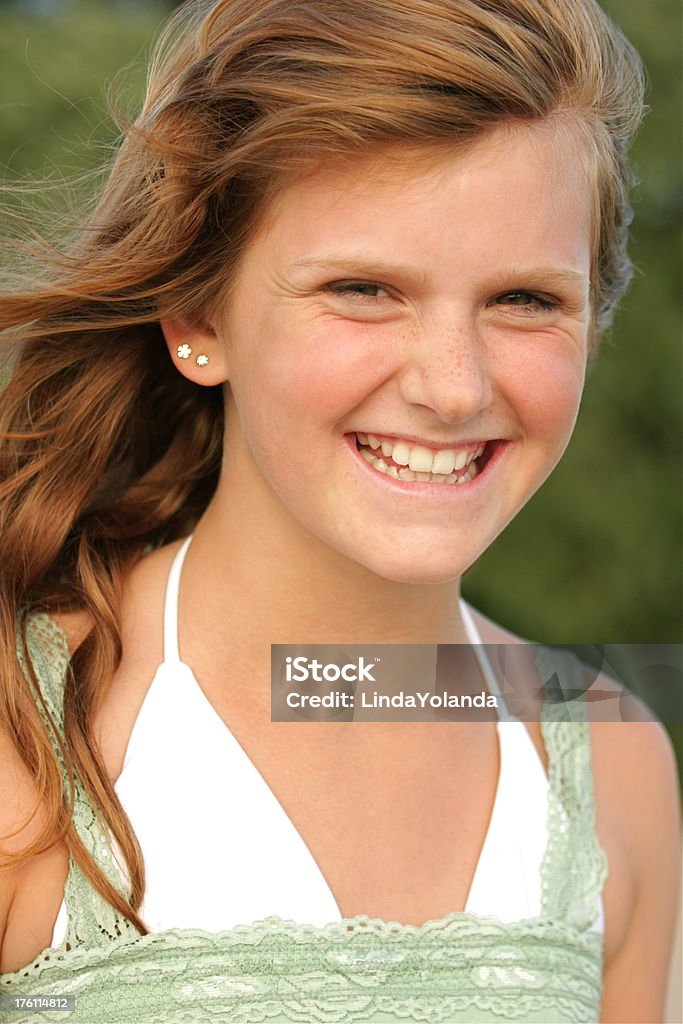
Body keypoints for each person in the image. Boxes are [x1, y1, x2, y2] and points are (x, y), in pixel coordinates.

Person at [0, 0, 680, 1021]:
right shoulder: (26, 742)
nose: (452, 387)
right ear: (198, 318)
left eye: (524, 301)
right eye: (363, 288)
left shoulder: (613, 760)